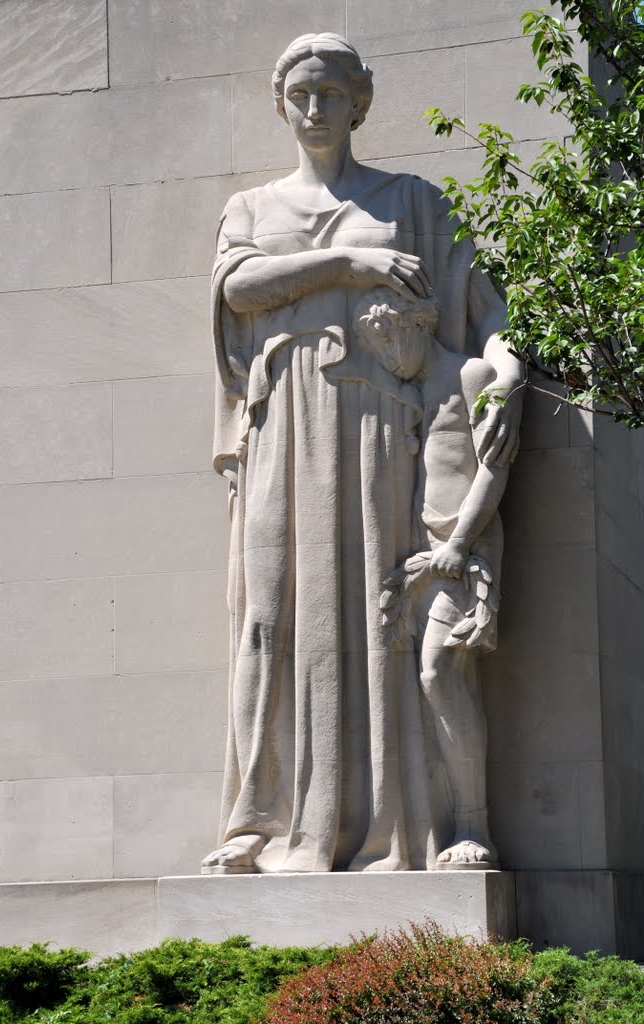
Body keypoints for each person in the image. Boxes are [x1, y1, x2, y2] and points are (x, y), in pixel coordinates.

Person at [203, 32, 523, 875]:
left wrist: (509, 373)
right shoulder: (252, 209)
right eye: (300, 95)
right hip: (283, 424)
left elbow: (483, 310)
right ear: (282, 103)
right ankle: (264, 824)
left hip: (387, 429)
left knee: (381, 619)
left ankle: (394, 830)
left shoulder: (411, 200)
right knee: (273, 614)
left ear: (359, 104)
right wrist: (346, 259)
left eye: (330, 95)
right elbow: (237, 288)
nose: (314, 109)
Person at [354, 287, 511, 868]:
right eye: (378, 347)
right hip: (425, 556)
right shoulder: (408, 388)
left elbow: (493, 468)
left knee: (441, 670)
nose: (389, 356)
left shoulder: (472, 375)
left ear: (420, 324)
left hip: (465, 552)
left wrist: (460, 543)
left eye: (392, 339)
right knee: (435, 678)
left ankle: (476, 829)